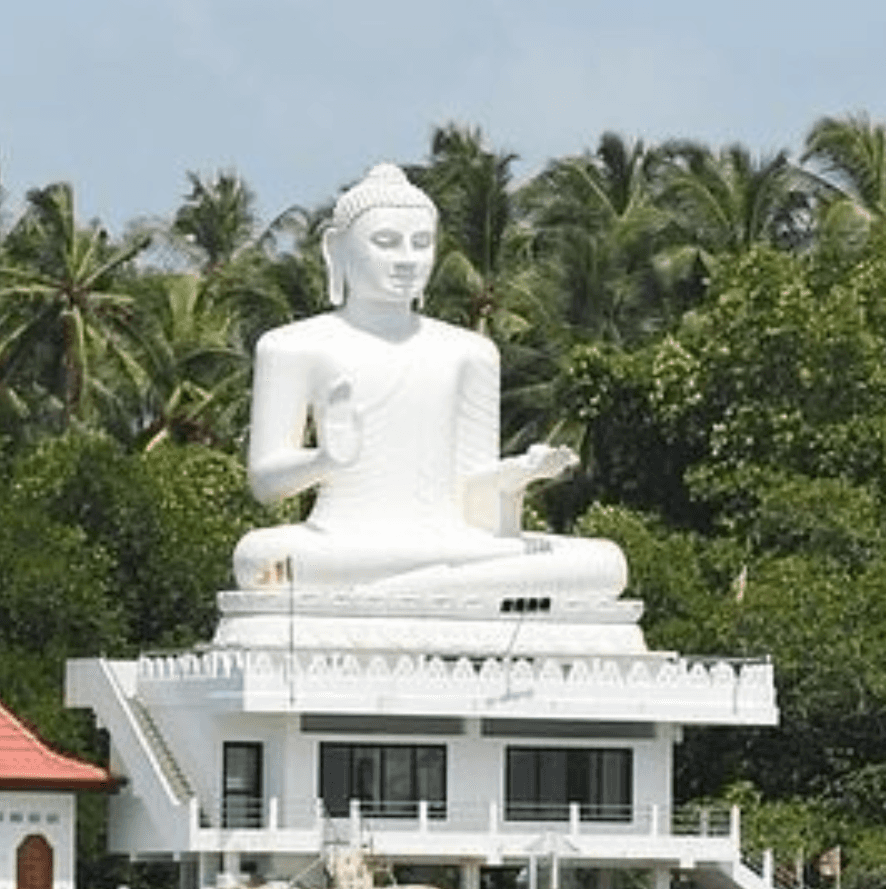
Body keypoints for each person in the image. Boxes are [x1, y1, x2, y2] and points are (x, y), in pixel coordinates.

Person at [231, 164, 627, 598]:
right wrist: (325, 461)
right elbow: (266, 484)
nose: (406, 259)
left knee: (605, 563)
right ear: (336, 250)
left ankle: (401, 591)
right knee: (260, 559)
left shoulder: (470, 352)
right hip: (342, 543)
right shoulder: (292, 346)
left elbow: (473, 489)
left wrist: (519, 473)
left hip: (450, 541)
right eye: (385, 242)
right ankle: (441, 587)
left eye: (421, 244)